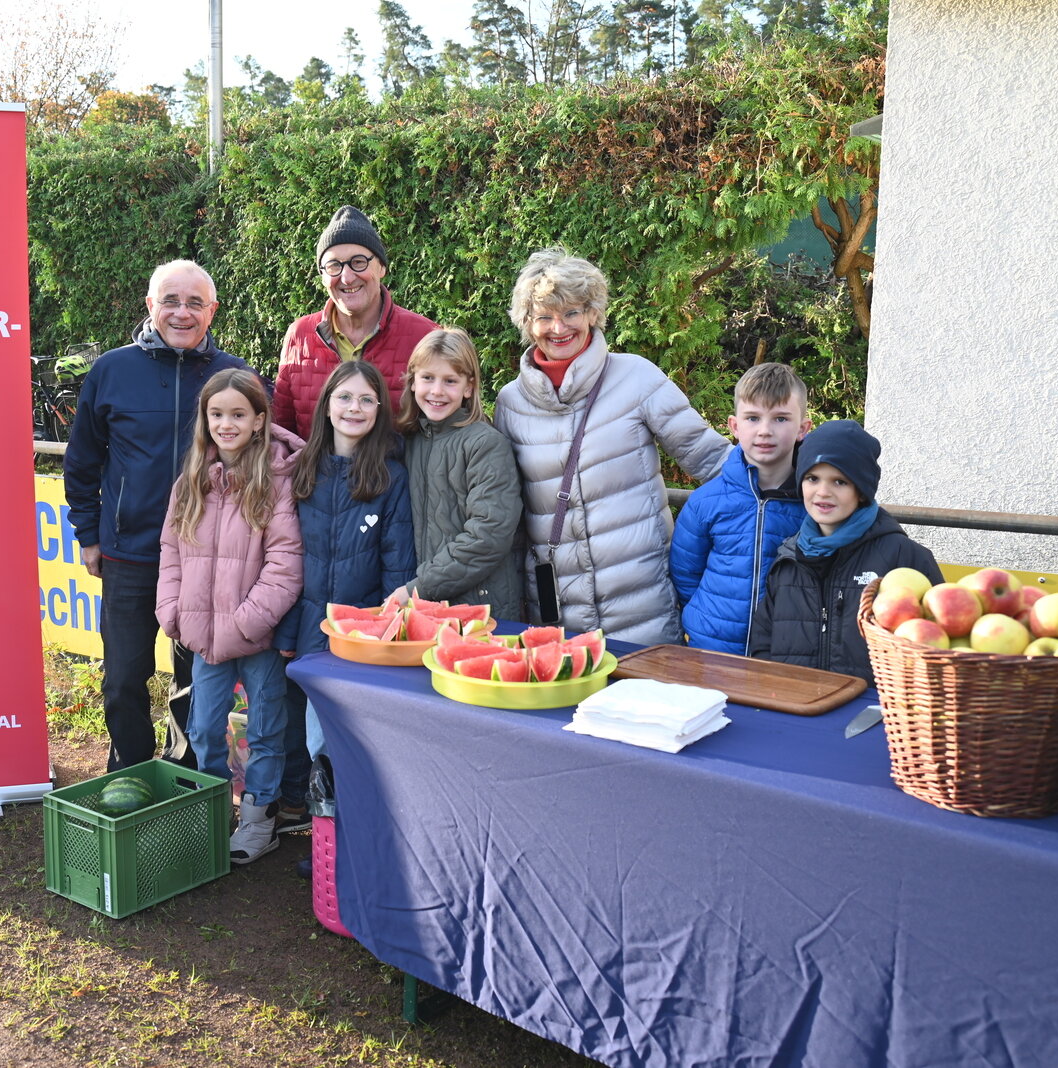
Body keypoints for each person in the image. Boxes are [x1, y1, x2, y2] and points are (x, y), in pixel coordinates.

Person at [64, 260, 260, 771]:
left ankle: (182, 774)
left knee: (196, 676)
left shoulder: (234, 377)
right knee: (124, 675)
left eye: (195, 303)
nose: (182, 312)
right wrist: (88, 533)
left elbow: (265, 465)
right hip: (130, 553)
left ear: (212, 311)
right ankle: (129, 773)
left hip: (206, 556)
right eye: (170, 300)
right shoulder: (112, 369)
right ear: (150, 306)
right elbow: (83, 460)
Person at [494, 248, 729, 646]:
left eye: (571, 312)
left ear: (592, 313)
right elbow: (508, 511)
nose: (558, 327)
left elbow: (712, 458)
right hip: (555, 620)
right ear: (527, 323)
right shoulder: (510, 403)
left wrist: (796, 483)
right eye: (544, 316)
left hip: (646, 613)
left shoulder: (635, 377)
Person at [156, 369, 303, 865]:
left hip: (256, 637)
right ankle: (214, 811)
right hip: (204, 637)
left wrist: (247, 622)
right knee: (202, 728)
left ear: (259, 420)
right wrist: (172, 611)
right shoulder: (191, 482)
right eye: (216, 414)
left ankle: (259, 821)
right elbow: (171, 552)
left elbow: (285, 562)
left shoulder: (277, 481)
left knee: (265, 729)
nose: (226, 423)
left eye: (238, 414)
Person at [275, 362, 416, 837]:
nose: (354, 408)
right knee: (318, 741)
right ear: (327, 405)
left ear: (380, 411)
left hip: (364, 641)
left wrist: (385, 640)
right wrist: (288, 630)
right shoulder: (301, 473)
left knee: (359, 745)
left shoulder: (391, 480)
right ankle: (327, 844)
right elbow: (287, 561)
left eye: (366, 400)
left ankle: (361, 843)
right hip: (313, 634)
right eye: (344, 397)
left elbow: (398, 568)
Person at [748, 419, 943, 684]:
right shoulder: (788, 559)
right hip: (796, 712)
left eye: (839, 481)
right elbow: (762, 644)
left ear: (861, 491)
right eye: (812, 478)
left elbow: (936, 649)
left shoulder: (905, 559)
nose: (823, 492)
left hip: (874, 715)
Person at [670, 363, 812, 654]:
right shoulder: (705, 502)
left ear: (802, 428)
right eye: (753, 418)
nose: (765, 431)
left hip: (784, 650)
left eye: (781, 419)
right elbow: (685, 572)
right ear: (734, 426)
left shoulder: (813, 504)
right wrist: (704, 615)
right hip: (712, 647)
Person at [393, 326, 523, 621]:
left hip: (481, 606)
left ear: (468, 387)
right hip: (428, 607)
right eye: (428, 378)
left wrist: (420, 588)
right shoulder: (411, 441)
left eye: (450, 381)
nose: (437, 391)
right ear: (413, 381)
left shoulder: (486, 444)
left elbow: (487, 536)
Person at [272, 205, 436, 439]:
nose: (347, 277)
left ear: (381, 267)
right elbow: (283, 431)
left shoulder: (424, 337)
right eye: (334, 266)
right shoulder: (299, 336)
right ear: (322, 277)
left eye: (358, 262)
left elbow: (445, 431)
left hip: (397, 476)